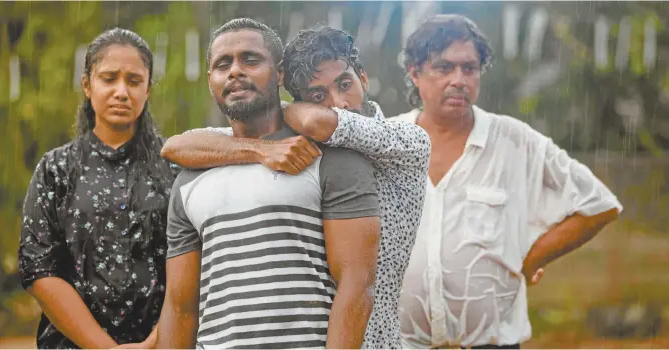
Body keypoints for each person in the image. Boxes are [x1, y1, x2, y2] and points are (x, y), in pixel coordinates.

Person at [160, 25, 431, 349]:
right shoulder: (293, 147)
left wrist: (277, 106)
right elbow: (175, 147)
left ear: (364, 77)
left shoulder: (405, 140)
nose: (339, 104)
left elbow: (321, 122)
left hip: (374, 341)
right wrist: (260, 145)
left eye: (345, 84)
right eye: (319, 96)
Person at [394, 14, 623, 349]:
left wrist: (529, 260)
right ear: (415, 73)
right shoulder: (388, 141)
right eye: (444, 68)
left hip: (492, 342)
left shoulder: (515, 141)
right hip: (399, 342)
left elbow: (598, 205)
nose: (459, 79)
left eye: (469, 68)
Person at [18, 28, 178, 349]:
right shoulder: (56, 170)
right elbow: (38, 268)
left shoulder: (175, 168)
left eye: (134, 81)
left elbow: (195, 262)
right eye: (109, 78)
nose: (122, 91)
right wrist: (103, 347)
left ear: (148, 90)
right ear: (87, 86)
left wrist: (157, 340)